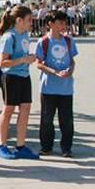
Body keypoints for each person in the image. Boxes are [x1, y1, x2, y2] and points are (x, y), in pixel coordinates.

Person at [34, 10, 78, 158]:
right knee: (47, 119)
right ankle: (46, 146)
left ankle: (66, 148)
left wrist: (70, 71)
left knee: (66, 120)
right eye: (59, 23)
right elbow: (39, 63)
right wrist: (54, 72)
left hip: (66, 88)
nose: (63, 26)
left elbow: (72, 60)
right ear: (50, 24)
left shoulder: (69, 41)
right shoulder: (43, 42)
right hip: (48, 88)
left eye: (64, 23)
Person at [0, 5, 37, 161]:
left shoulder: (25, 35)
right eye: (28, 20)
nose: (31, 23)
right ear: (19, 20)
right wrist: (21, 60)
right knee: (8, 110)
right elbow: (3, 62)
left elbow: (24, 54)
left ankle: (20, 145)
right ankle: (2, 145)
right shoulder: (9, 37)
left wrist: (30, 58)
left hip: (24, 76)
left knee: (25, 108)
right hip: (11, 77)